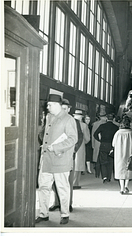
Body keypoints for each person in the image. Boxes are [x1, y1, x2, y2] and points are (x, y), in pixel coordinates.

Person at [35, 94, 77, 225]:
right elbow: (45, 133)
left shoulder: (69, 119)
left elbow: (72, 139)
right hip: (46, 159)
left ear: (58, 105)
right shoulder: (49, 117)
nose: (47, 107)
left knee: (62, 188)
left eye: (49, 105)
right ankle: (43, 213)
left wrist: (55, 147)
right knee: (43, 187)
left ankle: (65, 214)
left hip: (61, 160)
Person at [49, 98, 83, 213]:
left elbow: (79, 138)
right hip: (54, 155)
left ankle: (67, 204)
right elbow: (42, 134)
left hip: (68, 156)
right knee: (55, 182)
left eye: (64, 109)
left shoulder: (74, 122)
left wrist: (73, 150)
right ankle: (56, 203)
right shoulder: (52, 120)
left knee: (67, 182)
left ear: (69, 109)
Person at [112, 117, 132, 194]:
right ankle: (126, 186)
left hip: (119, 154)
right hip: (129, 153)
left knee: (120, 170)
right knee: (128, 169)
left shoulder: (118, 133)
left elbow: (113, 144)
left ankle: (121, 188)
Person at [93, 113, 119, 183]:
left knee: (103, 161)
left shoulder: (102, 126)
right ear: (113, 119)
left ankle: (104, 177)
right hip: (112, 145)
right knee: (110, 161)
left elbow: (95, 134)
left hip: (103, 145)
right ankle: (109, 177)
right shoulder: (116, 127)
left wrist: (100, 140)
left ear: (106, 118)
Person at [73, 110, 90, 189]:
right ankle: (75, 183)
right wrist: (84, 142)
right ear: (81, 117)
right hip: (80, 146)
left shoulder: (70, 123)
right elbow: (87, 138)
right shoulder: (84, 125)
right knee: (78, 164)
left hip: (69, 145)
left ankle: (69, 182)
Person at [92, 113, 107, 178]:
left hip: (96, 142)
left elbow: (92, 135)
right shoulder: (106, 124)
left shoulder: (95, 124)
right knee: (104, 159)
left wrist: (93, 144)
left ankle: (97, 173)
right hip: (105, 143)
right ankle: (104, 174)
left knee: (97, 158)